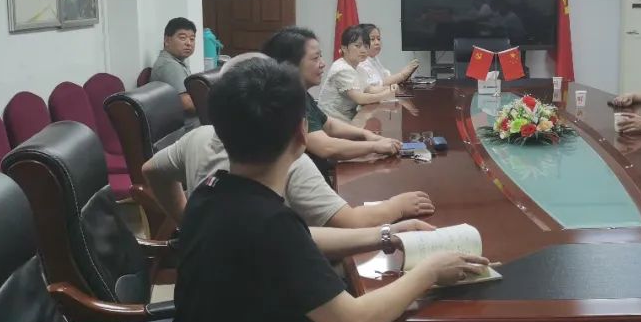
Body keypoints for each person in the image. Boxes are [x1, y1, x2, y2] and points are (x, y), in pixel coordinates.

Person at [166, 58, 484, 322]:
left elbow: (297, 240)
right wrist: (430, 270)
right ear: (302, 134)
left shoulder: (213, 192)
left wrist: (386, 234)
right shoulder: (268, 223)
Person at [142, 55, 435, 232]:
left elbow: (151, 170)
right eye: (315, 57)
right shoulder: (291, 168)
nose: (322, 63)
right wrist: (396, 210)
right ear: (301, 131)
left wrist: (185, 221)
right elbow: (348, 225)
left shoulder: (198, 139)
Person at [262, 27, 402, 162]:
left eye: (321, 56)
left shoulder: (300, 94)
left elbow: (329, 125)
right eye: (315, 58)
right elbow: (325, 147)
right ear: (290, 64)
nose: (323, 64)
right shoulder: (285, 101)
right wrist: (374, 146)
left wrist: (366, 134)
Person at [318, 26, 397, 123]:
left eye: (366, 46)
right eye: (358, 46)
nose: (363, 50)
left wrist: (391, 89)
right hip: (330, 121)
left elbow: (369, 89)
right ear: (344, 48)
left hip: (347, 119)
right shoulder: (342, 69)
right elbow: (360, 98)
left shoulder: (359, 68)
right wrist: (384, 95)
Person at [151, 17, 199, 128]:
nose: (189, 43)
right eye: (183, 38)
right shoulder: (169, 65)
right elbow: (187, 104)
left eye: (192, 39)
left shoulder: (178, 62)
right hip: (183, 128)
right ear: (167, 41)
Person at [360, 23, 418, 88]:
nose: (377, 43)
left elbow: (387, 77)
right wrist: (402, 75)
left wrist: (404, 77)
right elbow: (377, 84)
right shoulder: (362, 62)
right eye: (372, 39)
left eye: (378, 39)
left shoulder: (374, 58)